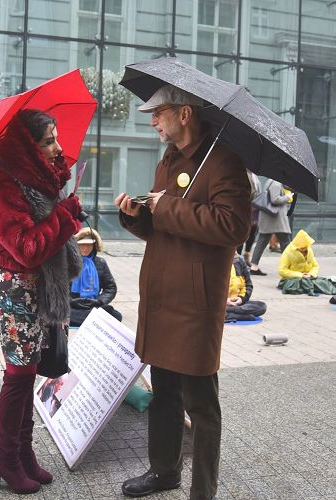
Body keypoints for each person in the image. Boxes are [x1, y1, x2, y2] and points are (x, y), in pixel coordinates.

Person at [114, 84, 251, 500]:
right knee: (164, 395)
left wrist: (166, 207)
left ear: (185, 114)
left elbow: (233, 226)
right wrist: (137, 217)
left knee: (202, 407)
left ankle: (202, 490)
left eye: (159, 113)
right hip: (161, 298)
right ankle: (163, 472)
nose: (153, 121)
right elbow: (163, 225)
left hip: (194, 304)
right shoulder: (168, 160)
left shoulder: (225, 161)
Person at [0, 109, 83, 494]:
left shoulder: (34, 185)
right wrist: (66, 216)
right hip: (15, 291)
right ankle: (5, 458)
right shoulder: (1, 188)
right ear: (28, 148)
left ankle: (23, 454)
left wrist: (63, 210)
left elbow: (44, 235)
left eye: (56, 138)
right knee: (18, 379)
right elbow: (26, 248)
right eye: (48, 141)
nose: (58, 148)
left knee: (28, 374)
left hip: (36, 292)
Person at [70, 227, 122, 325]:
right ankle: (94, 317)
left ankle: (92, 316)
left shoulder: (100, 263)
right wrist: (72, 301)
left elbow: (110, 288)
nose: (85, 248)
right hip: (73, 306)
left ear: (94, 246)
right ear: (76, 246)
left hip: (93, 304)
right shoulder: (67, 263)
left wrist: (100, 301)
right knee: (63, 315)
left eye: (89, 245)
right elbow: (58, 289)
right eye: (82, 245)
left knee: (116, 316)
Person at [250, 179, 293, 276]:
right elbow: (275, 199)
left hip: (270, 218)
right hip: (276, 218)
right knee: (286, 242)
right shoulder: (276, 183)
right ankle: (289, 266)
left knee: (262, 241)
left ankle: (254, 267)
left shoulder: (272, 181)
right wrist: (287, 197)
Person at [225, 252, 267, 322]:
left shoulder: (240, 261)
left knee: (262, 306)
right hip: (220, 303)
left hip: (237, 302)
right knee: (211, 309)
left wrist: (241, 299)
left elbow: (248, 285)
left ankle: (228, 313)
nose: (235, 252)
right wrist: (224, 301)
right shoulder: (215, 261)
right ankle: (229, 313)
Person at [237, 170, 261, 266]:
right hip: (246, 209)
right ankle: (238, 259)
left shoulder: (255, 176)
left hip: (255, 210)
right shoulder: (243, 174)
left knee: (252, 233)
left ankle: (246, 257)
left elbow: (257, 190)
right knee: (243, 233)